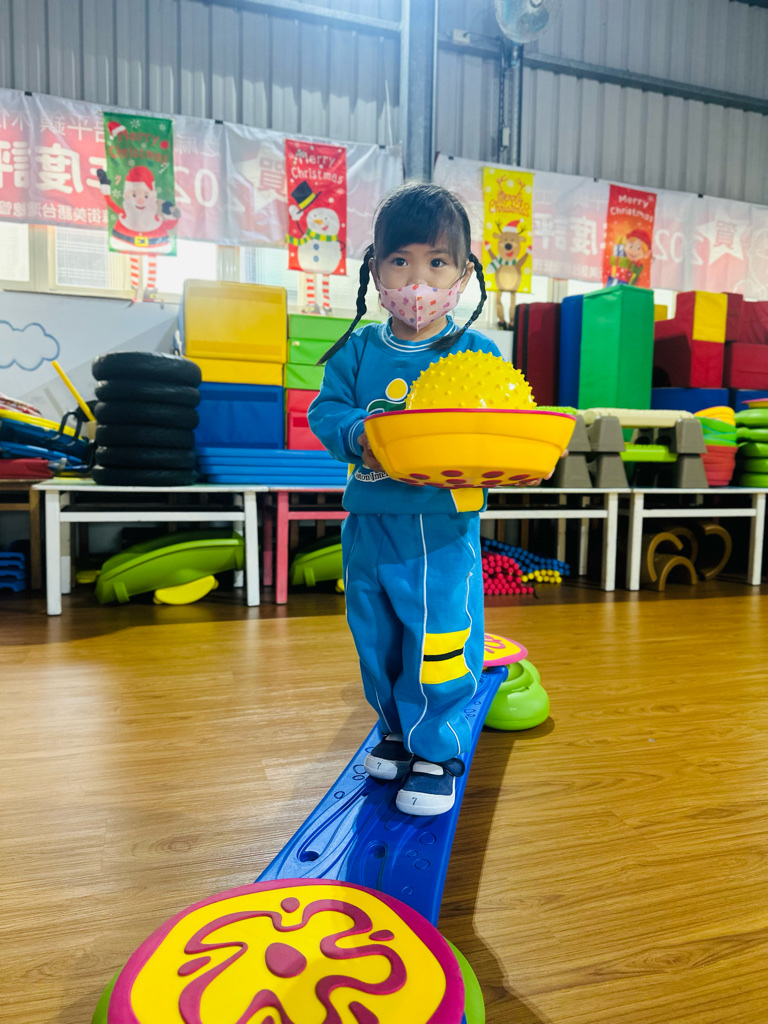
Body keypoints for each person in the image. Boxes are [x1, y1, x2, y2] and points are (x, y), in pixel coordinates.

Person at [308, 183, 536, 817]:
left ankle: (437, 750)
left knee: (439, 640)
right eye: (400, 261)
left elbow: (504, 425)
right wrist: (359, 432)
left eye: (437, 262)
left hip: (440, 528)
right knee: (375, 635)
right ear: (375, 269)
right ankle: (393, 729)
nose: (418, 280)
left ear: (463, 274)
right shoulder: (357, 350)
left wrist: (517, 458)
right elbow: (327, 411)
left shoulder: (476, 353)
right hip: (369, 523)